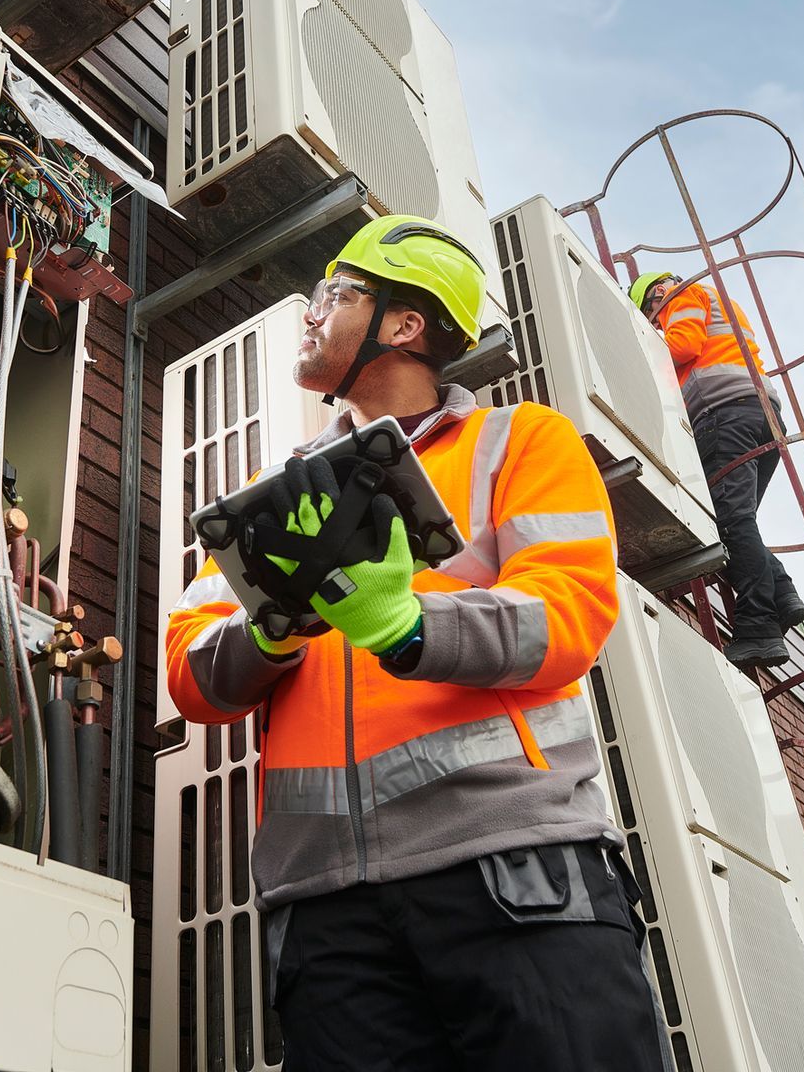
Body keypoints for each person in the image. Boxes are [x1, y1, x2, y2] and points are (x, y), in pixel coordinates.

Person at [168, 216, 673, 1071]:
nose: (311, 311)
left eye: (335, 294)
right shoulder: (272, 496)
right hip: (325, 906)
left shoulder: (520, 442)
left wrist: (406, 629)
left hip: (511, 866)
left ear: (404, 325)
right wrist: (277, 627)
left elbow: (567, 619)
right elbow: (192, 678)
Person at [632, 271, 804, 668]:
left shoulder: (680, 294)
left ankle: (759, 629)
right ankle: (781, 592)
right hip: (761, 414)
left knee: (728, 521)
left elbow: (681, 346)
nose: (655, 323)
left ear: (657, 293)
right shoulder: (715, 301)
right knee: (737, 518)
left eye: (650, 316)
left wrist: (636, 349)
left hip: (724, 412)